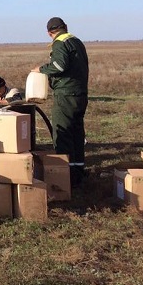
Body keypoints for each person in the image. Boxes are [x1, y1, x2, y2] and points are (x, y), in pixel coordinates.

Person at [32, 17, 89, 187]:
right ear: (65, 27)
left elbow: (59, 66)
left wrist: (41, 69)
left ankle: (65, 178)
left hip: (66, 95)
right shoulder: (76, 41)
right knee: (77, 134)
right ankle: (78, 174)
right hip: (80, 94)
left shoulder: (59, 43)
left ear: (50, 33)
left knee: (63, 133)